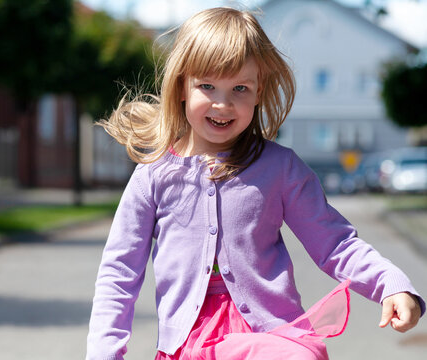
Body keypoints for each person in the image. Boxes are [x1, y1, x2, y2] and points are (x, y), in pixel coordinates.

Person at [86, 7, 424, 360]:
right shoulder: (154, 175)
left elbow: (336, 243)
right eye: (207, 86)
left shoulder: (280, 168)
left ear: (260, 90)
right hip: (189, 346)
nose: (223, 103)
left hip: (272, 338)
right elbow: (119, 273)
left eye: (240, 88)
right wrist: (104, 352)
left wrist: (390, 283)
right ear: (182, 85)